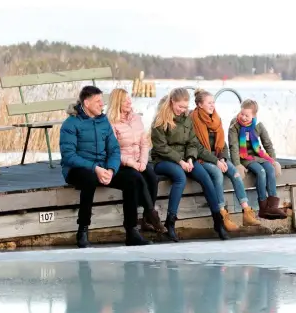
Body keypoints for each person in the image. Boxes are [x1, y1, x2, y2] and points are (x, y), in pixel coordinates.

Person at [59, 85, 152, 248]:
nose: (102, 105)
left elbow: (114, 150)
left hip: (103, 168)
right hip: (78, 169)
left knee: (133, 178)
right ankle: (83, 229)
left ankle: (132, 231)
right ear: (86, 103)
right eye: (98, 102)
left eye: (102, 101)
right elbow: (69, 156)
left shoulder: (103, 122)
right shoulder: (71, 123)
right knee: (89, 179)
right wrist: (95, 168)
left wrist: (111, 169)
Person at [150, 87, 229, 242]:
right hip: (163, 160)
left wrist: (191, 159)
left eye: (186, 107)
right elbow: (161, 148)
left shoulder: (187, 118)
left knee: (205, 178)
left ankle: (218, 222)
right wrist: (180, 162)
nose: (183, 110)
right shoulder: (160, 121)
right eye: (180, 107)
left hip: (186, 159)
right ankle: (170, 223)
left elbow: (193, 143)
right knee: (180, 177)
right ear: (172, 102)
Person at [191, 88, 261, 231]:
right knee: (217, 174)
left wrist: (222, 158)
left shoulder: (216, 118)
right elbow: (197, 148)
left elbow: (222, 144)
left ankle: (246, 212)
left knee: (235, 173)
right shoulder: (193, 120)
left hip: (218, 156)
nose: (212, 105)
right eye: (209, 103)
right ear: (200, 104)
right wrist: (216, 161)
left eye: (213, 102)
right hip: (202, 158)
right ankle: (222, 214)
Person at [106, 88, 166, 234]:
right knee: (138, 178)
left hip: (139, 161)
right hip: (123, 163)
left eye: (129, 99)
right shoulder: (110, 123)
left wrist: (143, 162)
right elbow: (112, 151)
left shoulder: (136, 119)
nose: (129, 102)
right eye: (125, 100)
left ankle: (146, 219)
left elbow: (144, 143)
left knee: (152, 177)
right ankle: (153, 216)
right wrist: (131, 163)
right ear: (117, 102)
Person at [228, 99, 287, 219]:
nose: (243, 117)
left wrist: (274, 160)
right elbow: (233, 147)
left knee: (270, 169)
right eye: (242, 114)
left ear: (254, 115)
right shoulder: (235, 126)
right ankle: (263, 206)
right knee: (261, 172)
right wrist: (237, 165)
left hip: (258, 155)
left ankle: (272, 206)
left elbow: (267, 144)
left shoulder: (258, 125)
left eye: (247, 115)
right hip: (244, 157)